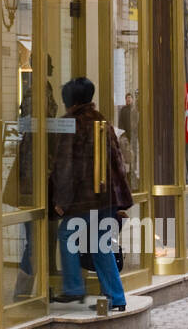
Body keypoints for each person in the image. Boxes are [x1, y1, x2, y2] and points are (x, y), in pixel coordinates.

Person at [50, 77, 132, 312]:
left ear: (70, 100)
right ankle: (117, 296)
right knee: (101, 245)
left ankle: (74, 287)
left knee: (67, 234)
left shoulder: (71, 123)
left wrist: (61, 202)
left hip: (84, 198)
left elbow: (67, 168)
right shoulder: (101, 120)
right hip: (105, 196)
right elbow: (117, 162)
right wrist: (119, 198)